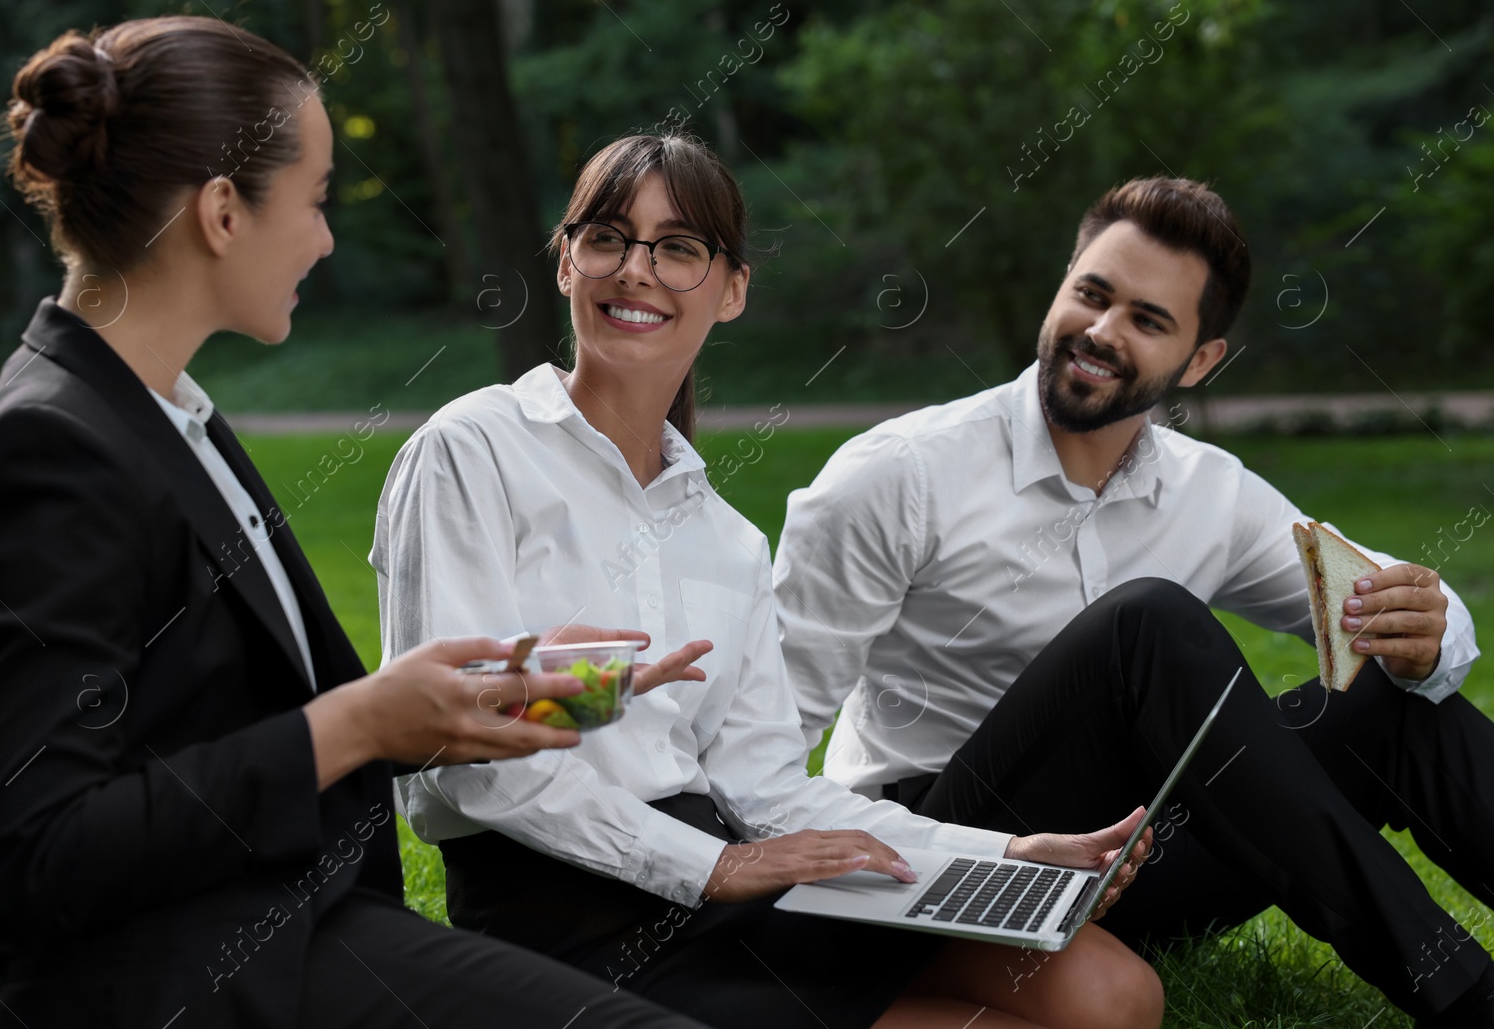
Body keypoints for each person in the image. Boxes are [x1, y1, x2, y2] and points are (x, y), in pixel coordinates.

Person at [0, 17, 714, 1029]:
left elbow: (204, 713)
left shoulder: (161, 411)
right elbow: (38, 847)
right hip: (159, 975)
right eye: (313, 200)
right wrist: (355, 724)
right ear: (222, 212)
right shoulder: (53, 445)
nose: (326, 235)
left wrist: (467, 696)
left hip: (267, 922)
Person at [373, 132, 1165, 1029]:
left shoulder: (727, 540)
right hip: (562, 917)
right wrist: (708, 868)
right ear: (566, 263)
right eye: (606, 238)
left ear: (732, 288)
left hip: (732, 882)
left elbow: (765, 786)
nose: (636, 271)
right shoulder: (472, 449)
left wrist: (1006, 853)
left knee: (1114, 993)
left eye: (678, 249)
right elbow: (455, 754)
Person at [774, 177, 1494, 1027]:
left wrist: (1430, 628)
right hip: (941, 854)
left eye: (1148, 321)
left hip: (1130, 863)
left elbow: (1385, 592)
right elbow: (764, 745)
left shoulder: (1208, 492)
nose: (1102, 333)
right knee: (1145, 622)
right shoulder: (899, 474)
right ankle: (1469, 1000)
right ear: (1064, 282)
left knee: (1395, 700)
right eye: (1092, 294)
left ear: (1199, 361)